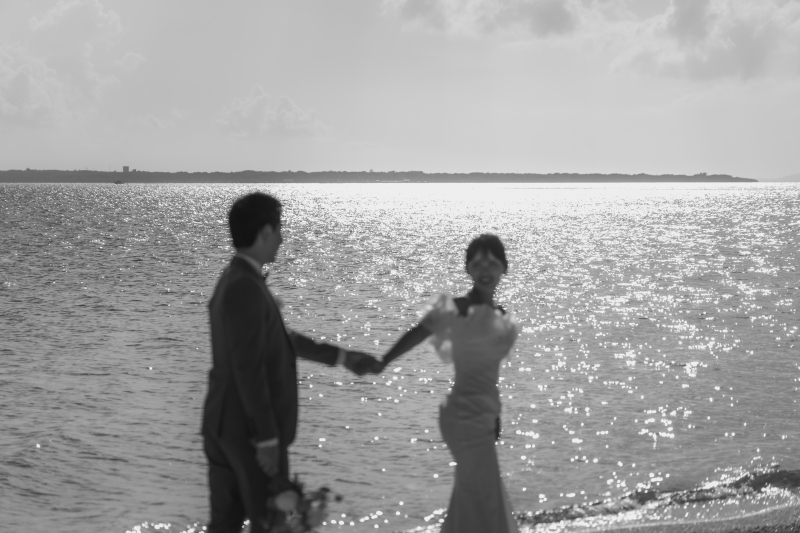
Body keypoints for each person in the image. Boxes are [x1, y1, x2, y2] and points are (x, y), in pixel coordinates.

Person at [201, 192, 379, 533]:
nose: (282, 239)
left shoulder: (236, 279)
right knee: (272, 523)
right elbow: (248, 367)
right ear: (265, 232)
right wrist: (267, 437)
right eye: (279, 229)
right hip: (248, 431)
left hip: (224, 423)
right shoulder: (244, 286)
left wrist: (342, 357)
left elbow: (281, 341)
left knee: (226, 525)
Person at [378, 234, 520, 533]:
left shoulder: (502, 317)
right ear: (468, 268)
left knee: (471, 494)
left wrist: (495, 416)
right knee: (488, 497)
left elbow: (491, 373)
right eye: (477, 263)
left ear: (504, 268)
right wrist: (384, 361)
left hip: (485, 414)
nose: (485, 269)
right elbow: (418, 333)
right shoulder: (456, 309)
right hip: (462, 414)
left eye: (492, 263)